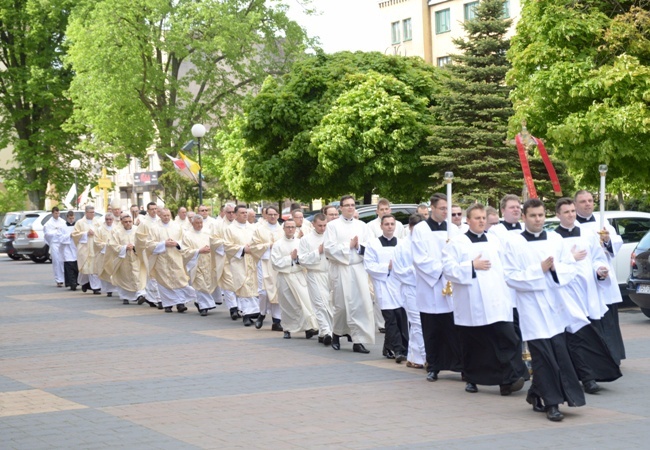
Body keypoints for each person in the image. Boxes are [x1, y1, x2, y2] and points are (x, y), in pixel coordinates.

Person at [503, 198, 586, 422]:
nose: (538, 219)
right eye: (533, 216)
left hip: (555, 305)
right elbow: (510, 277)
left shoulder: (555, 239)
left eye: (541, 215)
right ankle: (552, 404)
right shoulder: (514, 243)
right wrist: (538, 270)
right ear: (524, 217)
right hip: (532, 308)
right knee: (542, 356)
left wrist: (555, 270)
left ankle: (535, 393)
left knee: (558, 353)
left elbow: (570, 267)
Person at [443, 204, 526, 395]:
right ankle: (472, 378)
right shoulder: (457, 243)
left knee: (506, 338)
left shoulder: (495, 241)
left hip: (497, 298)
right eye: (477, 218)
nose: (481, 221)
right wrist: (471, 266)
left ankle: (508, 380)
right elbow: (448, 269)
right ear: (468, 220)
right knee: (476, 343)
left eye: (483, 218)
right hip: (473, 301)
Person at [552, 197, 622, 393]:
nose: (571, 215)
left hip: (588, 293)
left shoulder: (587, 235)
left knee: (592, 336)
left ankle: (594, 374)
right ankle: (585, 378)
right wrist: (570, 259)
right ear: (558, 215)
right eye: (566, 212)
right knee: (575, 339)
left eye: (573, 211)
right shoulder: (553, 239)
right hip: (568, 295)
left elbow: (598, 258)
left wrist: (601, 270)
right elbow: (551, 267)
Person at [411, 193, 462, 382]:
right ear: (432, 207)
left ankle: (460, 365)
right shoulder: (420, 230)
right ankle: (433, 366)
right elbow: (419, 258)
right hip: (430, 286)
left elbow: (460, 253)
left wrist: (452, 270)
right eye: (442, 208)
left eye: (447, 209)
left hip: (451, 285)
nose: (446, 212)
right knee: (432, 330)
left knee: (453, 329)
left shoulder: (453, 230)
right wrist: (442, 270)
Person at [574, 190, 626, 365]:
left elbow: (616, 244)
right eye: (583, 201)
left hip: (605, 276)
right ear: (575, 205)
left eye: (590, 200)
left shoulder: (602, 222)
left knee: (609, 319)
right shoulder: (572, 226)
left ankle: (613, 355)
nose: (588, 204)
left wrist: (607, 240)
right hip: (586, 279)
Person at [323, 195, 374, 354]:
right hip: (341, 269)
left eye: (353, 205)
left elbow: (370, 245)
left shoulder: (362, 225)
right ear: (341, 208)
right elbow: (328, 248)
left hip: (357, 269)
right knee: (342, 306)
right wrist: (348, 246)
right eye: (347, 205)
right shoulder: (332, 226)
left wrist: (359, 247)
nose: (351, 208)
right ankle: (336, 334)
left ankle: (358, 341)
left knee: (360, 304)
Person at [365, 214, 409, 363]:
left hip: (400, 286)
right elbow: (369, 265)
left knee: (400, 318)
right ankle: (398, 350)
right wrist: (387, 267)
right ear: (381, 226)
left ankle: (388, 347)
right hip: (383, 285)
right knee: (390, 320)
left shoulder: (402, 244)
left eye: (392, 224)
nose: (390, 227)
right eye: (387, 224)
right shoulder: (373, 244)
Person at [271, 219, 319, 339]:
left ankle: (308, 328)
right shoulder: (277, 244)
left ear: (296, 229)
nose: (290, 229)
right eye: (288, 227)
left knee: (304, 302)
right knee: (287, 304)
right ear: (284, 229)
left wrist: (297, 259)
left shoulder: (300, 242)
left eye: (293, 227)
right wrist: (290, 258)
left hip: (299, 275)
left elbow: (305, 258)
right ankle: (287, 328)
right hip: (285, 277)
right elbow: (275, 263)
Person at [389, 214, 426, 369]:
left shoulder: (425, 244)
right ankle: (426, 357)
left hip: (425, 288)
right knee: (417, 323)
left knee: (420, 323)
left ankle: (413, 357)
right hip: (410, 288)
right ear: (410, 228)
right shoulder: (401, 246)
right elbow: (398, 271)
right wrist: (416, 269)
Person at [146, 208, 195, 313]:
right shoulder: (154, 228)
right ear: (160, 216)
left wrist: (177, 243)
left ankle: (180, 303)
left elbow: (184, 240)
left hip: (176, 257)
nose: (166, 217)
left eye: (168, 215)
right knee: (164, 281)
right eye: (164, 215)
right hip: (161, 258)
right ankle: (167, 304)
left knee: (178, 279)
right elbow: (149, 244)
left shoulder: (177, 226)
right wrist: (163, 244)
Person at [298, 213, 334, 346]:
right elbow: (301, 259)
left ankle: (323, 333)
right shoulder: (305, 240)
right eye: (320, 225)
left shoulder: (330, 237)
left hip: (330, 273)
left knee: (330, 304)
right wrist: (317, 252)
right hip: (315, 273)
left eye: (325, 225)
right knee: (320, 303)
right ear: (313, 224)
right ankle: (327, 331)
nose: (323, 228)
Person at [223, 204, 260, 326]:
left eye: (246, 212)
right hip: (239, 261)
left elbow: (259, 242)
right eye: (242, 213)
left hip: (253, 262)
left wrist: (254, 248)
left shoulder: (253, 228)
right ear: (236, 214)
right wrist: (243, 249)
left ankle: (252, 313)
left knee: (253, 287)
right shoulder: (230, 229)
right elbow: (227, 246)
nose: (245, 214)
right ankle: (246, 315)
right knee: (243, 286)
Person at [249, 205, 284, 330]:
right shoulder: (259, 230)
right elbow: (253, 247)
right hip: (264, 262)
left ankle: (276, 320)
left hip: (278, 264)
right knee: (263, 292)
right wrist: (269, 246)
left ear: (278, 215)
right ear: (266, 215)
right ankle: (262, 314)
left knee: (277, 291)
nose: (273, 216)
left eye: (275, 214)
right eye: (270, 214)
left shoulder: (283, 230)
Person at [181, 215, 218, 316]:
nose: (199, 225)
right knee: (200, 284)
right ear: (192, 223)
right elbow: (185, 251)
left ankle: (199, 302)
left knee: (207, 283)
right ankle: (204, 306)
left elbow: (214, 245)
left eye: (201, 223)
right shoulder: (187, 235)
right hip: (195, 264)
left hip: (208, 262)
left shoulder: (207, 233)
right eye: (197, 223)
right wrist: (199, 251)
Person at [109, 214, 148, 305]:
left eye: (130, 221)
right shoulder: (117, 232)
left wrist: (135, 247)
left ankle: (140, 295)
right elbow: (112, 245)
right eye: (126, 222)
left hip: (136, 257)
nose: (128, 223)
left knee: (137, 276)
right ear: (122, 222)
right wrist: (125, 247)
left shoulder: (137, 231)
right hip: (123, 259)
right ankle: (125, 297)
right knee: (124, 278)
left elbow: (143, 243)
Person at [135, 202, 163, 309]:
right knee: (152, 275)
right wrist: (149, 244)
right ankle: (158, 299)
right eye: (152, 209)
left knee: (159, 274)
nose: (154, 211)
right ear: (148, 210)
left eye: (156, 209)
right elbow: (139, 238)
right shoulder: (144, 223)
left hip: (160, 251)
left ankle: (152, 298)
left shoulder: (160, 221)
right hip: (149, 252)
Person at [214, 204, 239, 320]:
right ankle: (233, 308)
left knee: (239, 283)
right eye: (228, 212)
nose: (231, 214)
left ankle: (241, 308)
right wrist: (227, 246)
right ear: (224, 212)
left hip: (239, 259)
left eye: (233, 212)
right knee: (229, 284)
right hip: (225, 258)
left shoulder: (240, 225)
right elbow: (213, 240)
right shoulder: (218, 225)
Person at [72, 205, 102, 294]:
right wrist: (85, 233)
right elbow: (74, 234)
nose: (93, 214)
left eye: (94, 212)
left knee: (94, 268)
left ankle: (95, 287)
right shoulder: (80, 223)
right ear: (86, 213)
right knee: (84, 268)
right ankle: (84, 283)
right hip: (85, 248)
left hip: (95, 247)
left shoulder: (97, 222)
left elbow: (101, 232)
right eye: (91, 212)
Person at [93, 213, 117, 297]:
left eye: (110, 219)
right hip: (104, 253)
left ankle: (116, 288)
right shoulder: (100, 229)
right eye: (107, 219)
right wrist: (106, 245)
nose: (109, 221)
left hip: (114, 254)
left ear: (113, 220)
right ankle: (108, 290)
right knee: (105, 271)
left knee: (114, 271)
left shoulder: (117, 228)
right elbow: (96, 241)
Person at [44, 207, 66, 287]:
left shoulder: (62, 222)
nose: (57, 215)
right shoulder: (48, 223)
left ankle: (64, 278)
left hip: (61, 243)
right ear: (52, 213)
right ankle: (58, 279)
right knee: (56, 261)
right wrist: (55, 233)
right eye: (55, 213)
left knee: (62, 261)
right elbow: (47, 234)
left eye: (58, 213)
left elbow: (65, 231)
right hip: (54, 243)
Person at [59, 211, 79, 290]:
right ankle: (71, 283)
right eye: (70, 218)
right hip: (67, 248)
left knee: (76, 266)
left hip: (76, 248)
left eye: (73, 218)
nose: (71, 220)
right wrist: (69, 235)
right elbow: (60, 238)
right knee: (69, 266)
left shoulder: (77, 226)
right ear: (67, 218)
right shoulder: (62, 227)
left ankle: (76, 282)